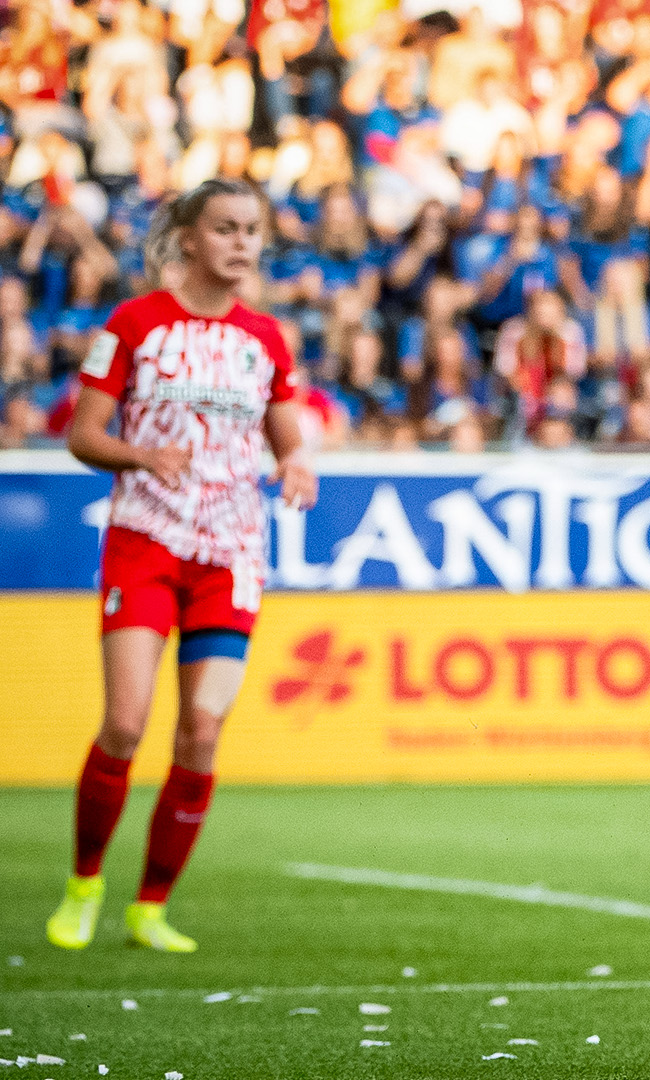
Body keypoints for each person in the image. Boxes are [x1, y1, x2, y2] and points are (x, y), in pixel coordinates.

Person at [45, 179, 317, 954]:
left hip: (231, 551)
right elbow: (82, 435)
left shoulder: (264, 336)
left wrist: (297, 463)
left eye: (252, 230)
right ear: (190, 238)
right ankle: (85, 882)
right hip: (147, 539)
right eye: (226, 228)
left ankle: (151, 905)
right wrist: (140, 454)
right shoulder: (133, 324)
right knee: (126, 724)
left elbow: (287, 431)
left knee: (201, 729)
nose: (242, 243)